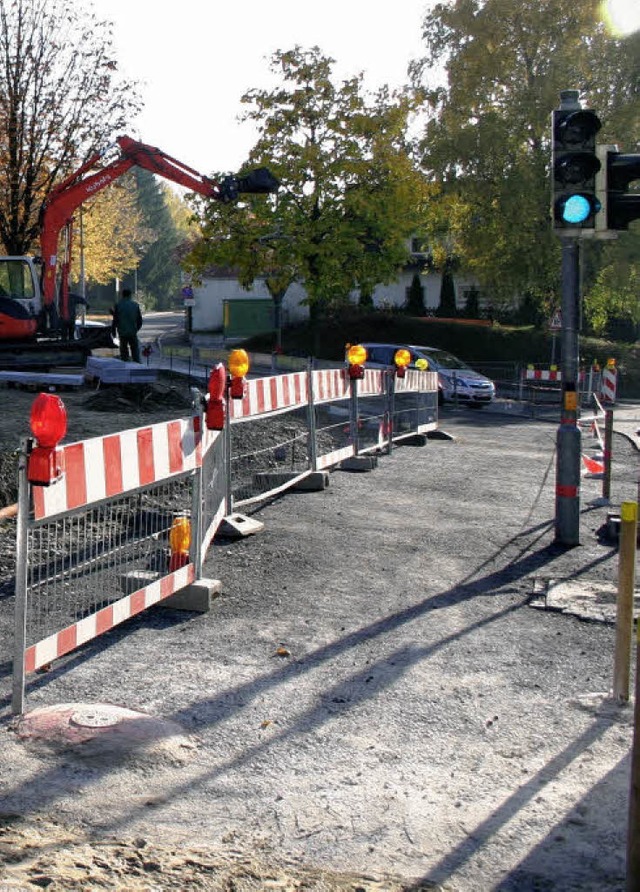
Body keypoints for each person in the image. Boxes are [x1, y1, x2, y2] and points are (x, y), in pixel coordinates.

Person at [113, 287, 143, 363]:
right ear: (130, 295)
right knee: (135, 352)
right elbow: (139, 320)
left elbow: (115, 320)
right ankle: (137, 366)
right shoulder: (135, 305)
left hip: (122, 332)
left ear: (122, 295)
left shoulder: (118, 305)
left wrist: (114, 331)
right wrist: (136, 329)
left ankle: (125, 366)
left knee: (124, 352)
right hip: (132, 332)